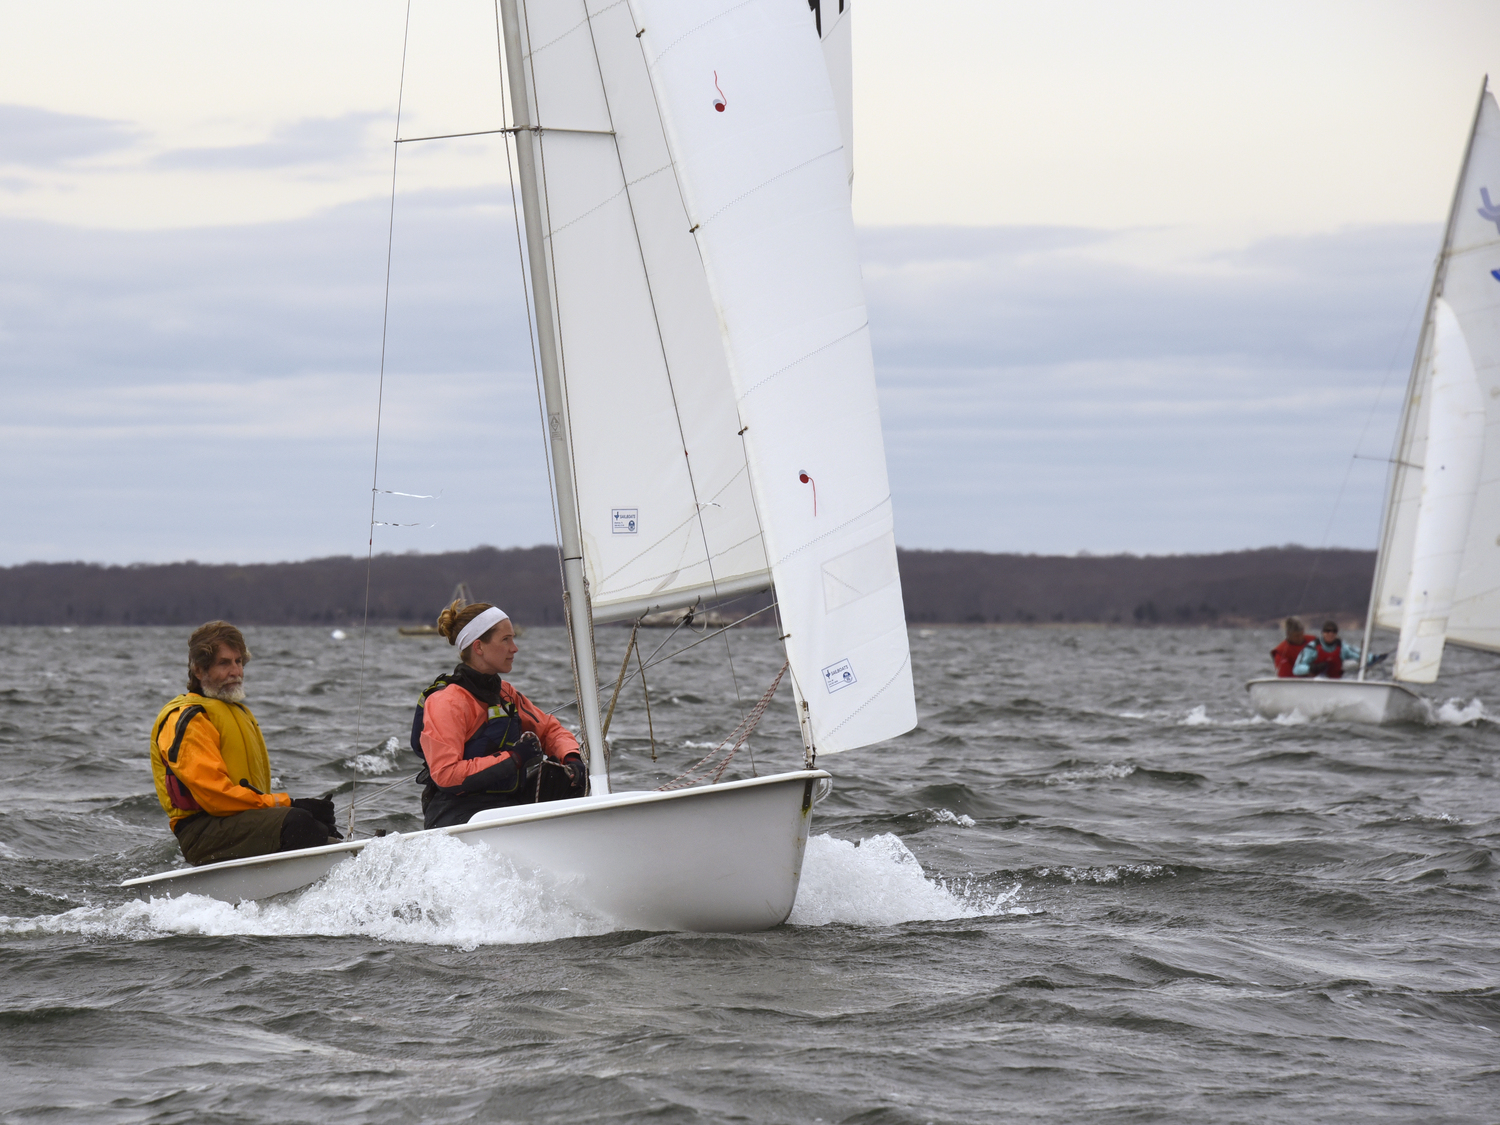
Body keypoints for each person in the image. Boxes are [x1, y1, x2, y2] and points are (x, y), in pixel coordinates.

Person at [150, 621, 341, 866]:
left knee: (318, 822)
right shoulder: (188, 719)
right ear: (199, 670)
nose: (236, 671)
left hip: (238, 822)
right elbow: (217, 798)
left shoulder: (235, 711)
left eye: (239, 662)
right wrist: (290, 803)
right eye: (224, 663)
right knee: (298, 823)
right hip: (202, 833)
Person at [411, 599, 588, 829]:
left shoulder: (506, 694)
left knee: (568, 776)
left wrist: (571, 757)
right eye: (506, 639)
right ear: (479, 647)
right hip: (459, 815)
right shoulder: (447, 701)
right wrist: (513, 759)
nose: (514, 648)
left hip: (505, 806)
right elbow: (446, 774)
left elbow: (549, 730)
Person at [1294, 620, 1363, 679]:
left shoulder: (1343, 647)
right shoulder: (1312, 647)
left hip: (1336, 682)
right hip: (1315, 682)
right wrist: (1313, 668)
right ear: (1323, 633)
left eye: (1334, 631)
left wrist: (1371, 659)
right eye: (1327, 631)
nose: (1331, 633)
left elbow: (1363, 656)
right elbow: (1296, 669)